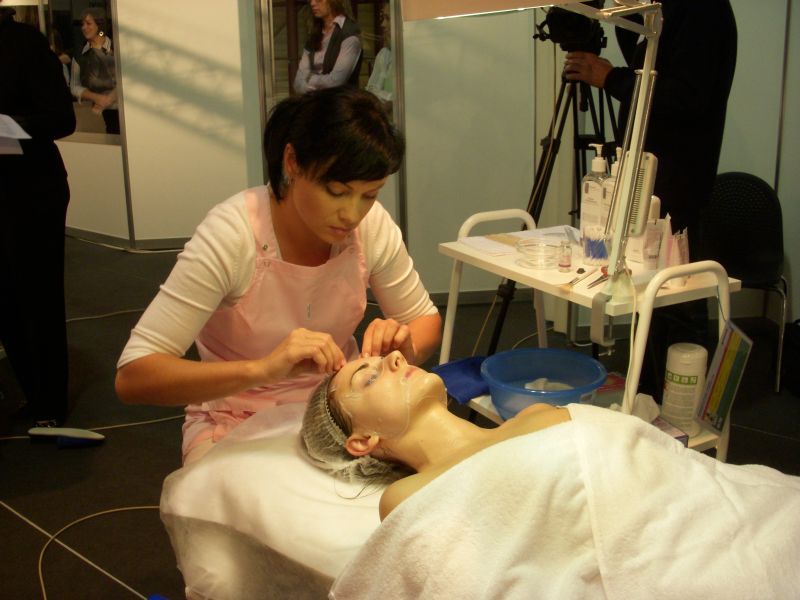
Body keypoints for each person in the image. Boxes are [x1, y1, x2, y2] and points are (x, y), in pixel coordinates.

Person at [115, 86, 441, 465]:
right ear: (292, 162)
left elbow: (424, 319)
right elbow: (135, 376)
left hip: (341, 414)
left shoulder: (371, 227)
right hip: (238, 415)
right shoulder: (233, 235)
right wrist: (264, 370)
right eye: (336, 191)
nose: (352, 214)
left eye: (369, 195)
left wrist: (403, 346)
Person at [302, 353, 800, 597]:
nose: (394, 358)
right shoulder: (409, 494)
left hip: (715, 519)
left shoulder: (537, 415)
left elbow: (653, 466)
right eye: (370, 377)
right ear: (362, 440)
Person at [563, 0, 738, 399]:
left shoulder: (702, 10)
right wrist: (627, 16)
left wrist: (611, 78)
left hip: (678, 180)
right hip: (647, 171)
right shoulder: (661, 8)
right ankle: (648, 395)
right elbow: (646, 61)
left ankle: (683, 408)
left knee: (678, 299)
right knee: (651, 297)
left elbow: (688, 97)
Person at [0, 2, 76, 426]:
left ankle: (49, 404)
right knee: (6, 301)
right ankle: (32, 394)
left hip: (30, 192)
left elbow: (61, 118)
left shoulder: (23, 44)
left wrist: (6, 126)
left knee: (36, 298)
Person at [294, 0, 362, 94]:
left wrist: (311, 79)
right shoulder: (314, 35)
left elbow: (336, 81)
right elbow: (298, 82)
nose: (312, 3)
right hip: (314, 100)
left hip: (340, 101)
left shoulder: (349, 34)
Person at [70, 8, 119, 134]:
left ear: (100, 25)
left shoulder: (118, 48)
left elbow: (127, 79)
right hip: (103, 116)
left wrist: (108, 99)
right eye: (82, 24)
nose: (84, 27)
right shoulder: (80, 55)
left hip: (128, 112)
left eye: (88, 23)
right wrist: (97, 98)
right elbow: (74, 86)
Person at [365, 2, 393, 112]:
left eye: (388, 18)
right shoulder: (384, 54)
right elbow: (371, 92)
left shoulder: (411, 57)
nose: (383, 24)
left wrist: (391, 103)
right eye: (383, 18)